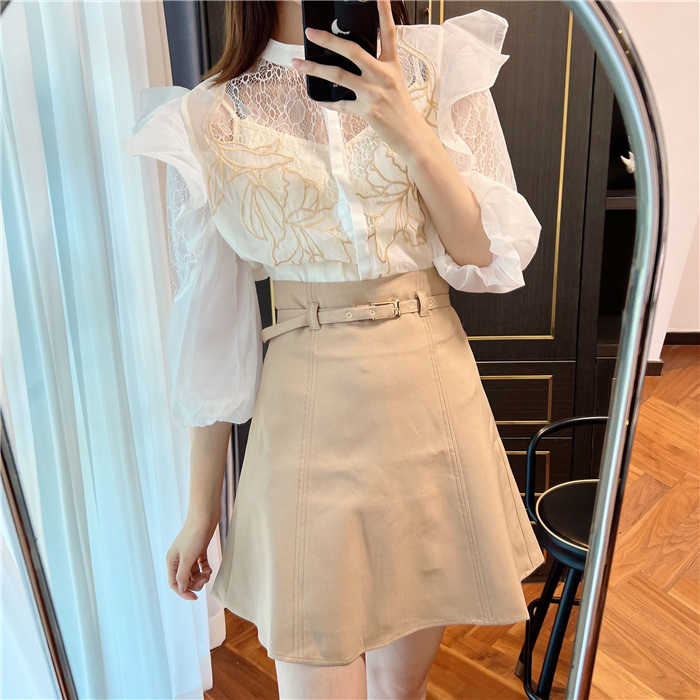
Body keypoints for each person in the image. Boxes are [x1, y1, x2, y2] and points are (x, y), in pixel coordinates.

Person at [123, 1, 544, 697]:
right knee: (312, 665)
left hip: (430, 397)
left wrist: (408, 129)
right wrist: (201, 508)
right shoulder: (209, 116)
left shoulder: (438, 66)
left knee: (399, 687)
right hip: (306, 412)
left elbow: (485, 257)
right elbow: (212, 331)